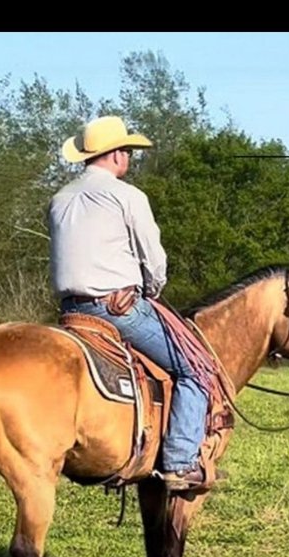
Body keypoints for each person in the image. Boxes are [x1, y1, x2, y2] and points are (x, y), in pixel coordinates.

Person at [50, 115, 209, 492]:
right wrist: (152, 288)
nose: (130, 158)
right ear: (117, 154)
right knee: (196, 370)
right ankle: (181, 462)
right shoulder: (128, 196)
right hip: (116, 310)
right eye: (128, 152)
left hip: (71, 313)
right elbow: (153, 258)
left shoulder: (59, 200)